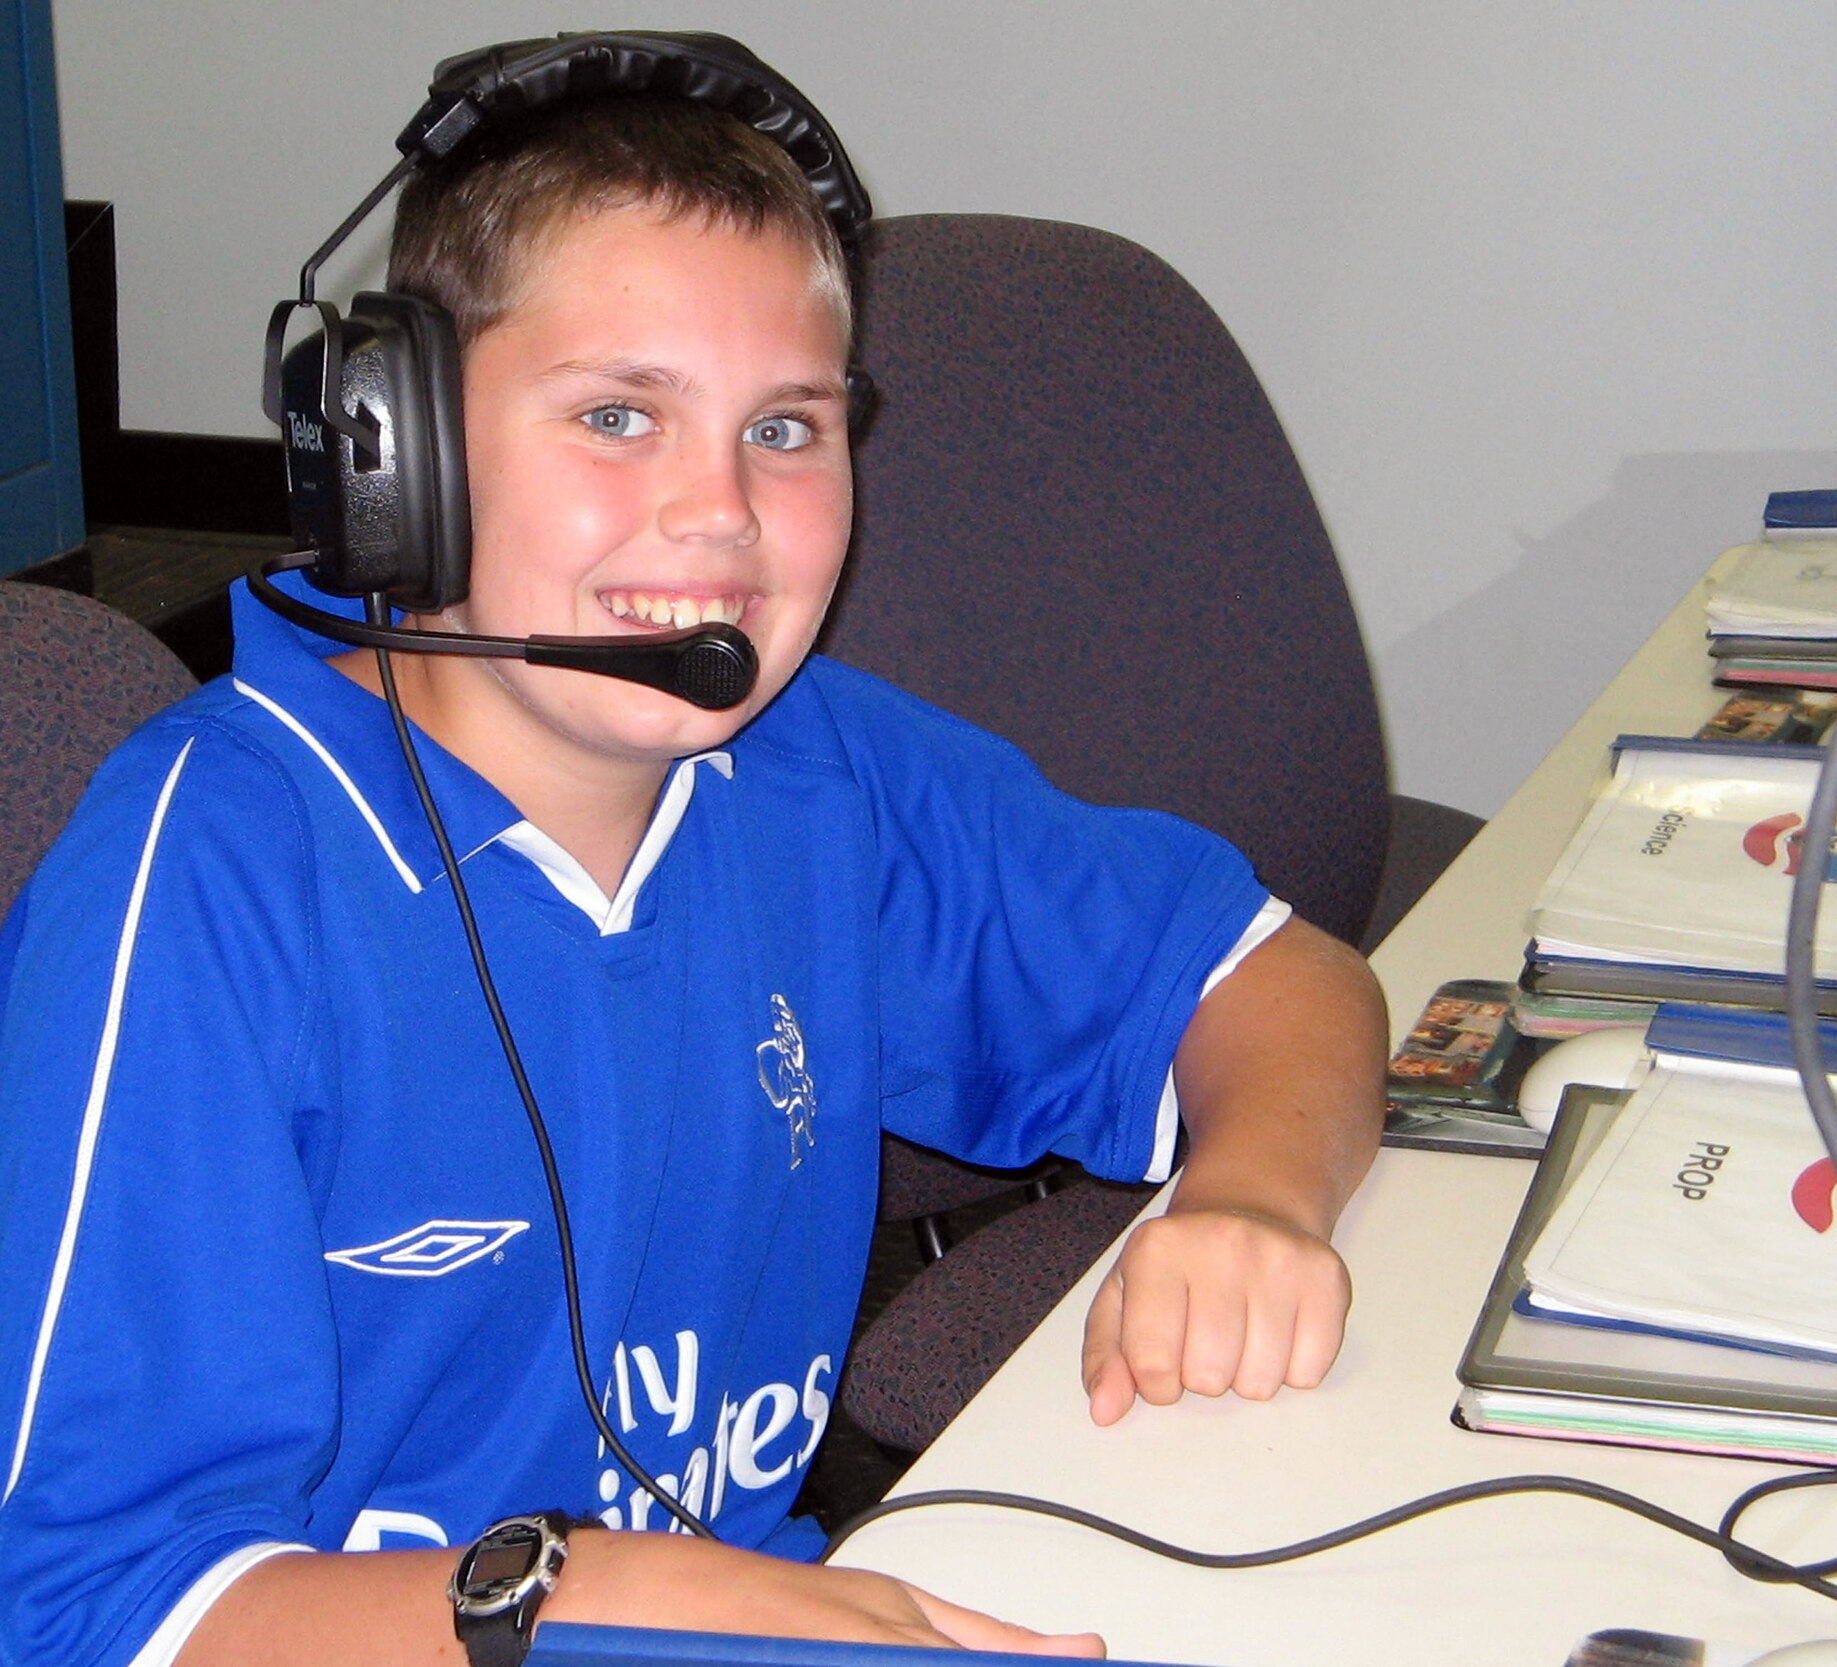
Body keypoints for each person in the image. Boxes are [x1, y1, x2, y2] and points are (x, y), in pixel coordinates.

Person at [0, 43, 1386, 1667]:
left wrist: (1258, 1195)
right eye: (615, 414)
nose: (720, 513)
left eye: (786, 431)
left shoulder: (819, 774)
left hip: (760, 1611)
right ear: (392, 458)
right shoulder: (210, 879)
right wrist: (596, 1588)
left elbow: (1271, 981)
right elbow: (84, 1609)